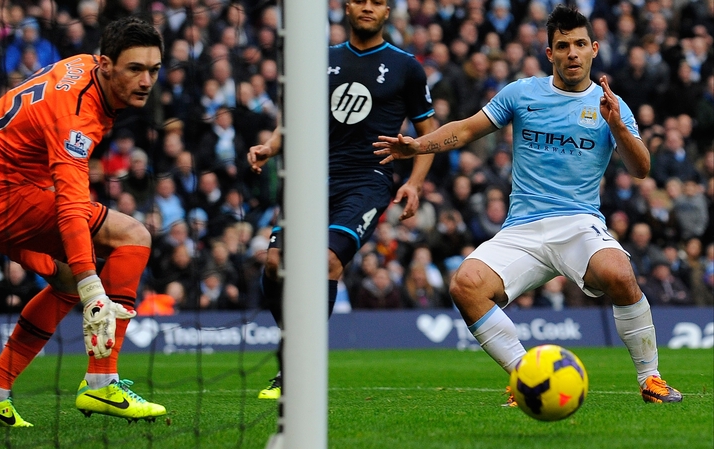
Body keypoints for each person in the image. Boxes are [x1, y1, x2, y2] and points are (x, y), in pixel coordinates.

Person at [373, 5, 682, 404]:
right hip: (522, 228)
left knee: (620, 273)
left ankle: (650, 378)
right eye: (562, 45)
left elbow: (641, 169)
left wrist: (617, 126)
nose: (572, 53)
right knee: (465, 286)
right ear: (549, 52)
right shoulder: (522, 92)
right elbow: (466, 129)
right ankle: (526, 376)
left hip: (579, 223)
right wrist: (419, 144)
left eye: (580, 44)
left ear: (594, 49)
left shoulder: (612, 105)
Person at [0, 17, 167, 427]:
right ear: (107, 64)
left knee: (65, 281)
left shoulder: (82, 66)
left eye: (154, 70)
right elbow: (72, 205)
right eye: (135, 69)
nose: (147, 81)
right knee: (133, 236)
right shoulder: (77, 113)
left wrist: (81, 279)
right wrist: (94, 286)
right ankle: (102, 383)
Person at [247, 0, 436, 399]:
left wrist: (415, 183)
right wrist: (271, 146)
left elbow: (428, 133)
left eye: (377, 2)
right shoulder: (320, 61)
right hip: (312, 177)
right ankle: (295, 347)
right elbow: (293, 117)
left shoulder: (406, 67)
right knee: (275, 262)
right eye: (360, 0)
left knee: (327, 259)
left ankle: (298, 368)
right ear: (346, 8)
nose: (368, 7)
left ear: (388, 12)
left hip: (368, 179)